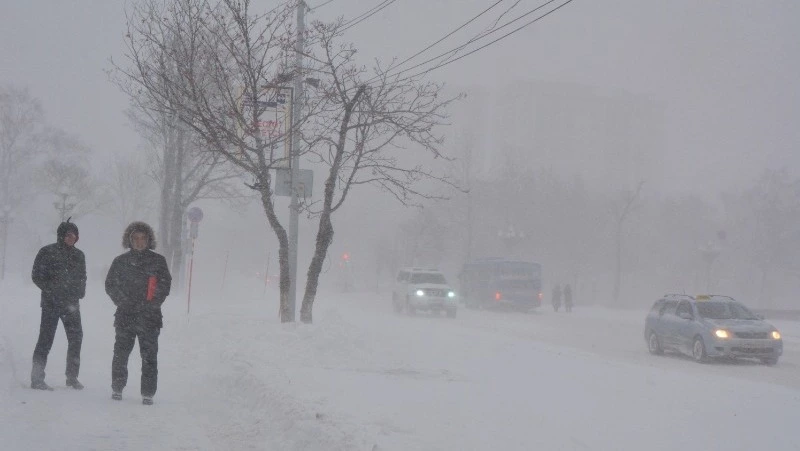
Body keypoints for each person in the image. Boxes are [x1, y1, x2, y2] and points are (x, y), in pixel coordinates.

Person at [105, 221, 171, 405]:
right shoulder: (120, 261)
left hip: (150, 318)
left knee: (149, 356)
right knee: (120, 354)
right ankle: (117, 388)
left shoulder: (158, 261)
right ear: (130, 240)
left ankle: (148, 393)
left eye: (143, 238)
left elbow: (165, 285)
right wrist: (123, 302)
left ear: (149, 240)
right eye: (136, 238)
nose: (139, 242)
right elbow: (110, 285)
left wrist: (152, 304)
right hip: (125, 316)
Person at [30, 219, 87, 391]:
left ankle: (72, 377)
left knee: (76, 338)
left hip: (71, 305)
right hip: (51, 303)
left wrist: (80, 292)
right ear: (61, 235)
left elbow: (82, 277)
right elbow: (36, 275)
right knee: (45, 340)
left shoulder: (79, 255)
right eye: (68, 235)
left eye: (74, 236)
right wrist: (51, 290)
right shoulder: (47, 252)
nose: (71, 238)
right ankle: (37, 379)